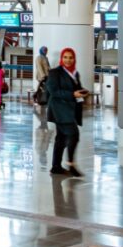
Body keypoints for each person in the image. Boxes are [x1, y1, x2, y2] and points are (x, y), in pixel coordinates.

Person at [46, 48, 88, 176]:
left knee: (61, 138)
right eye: (65, 57)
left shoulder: (75, 73)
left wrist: (82, 91)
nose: (68, 60)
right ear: (61, 58)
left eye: (70, 57)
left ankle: (56, 167)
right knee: (74, 135)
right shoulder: (55, 73)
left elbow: (76, 88)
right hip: (59, 110)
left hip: (70, 109)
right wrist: (72, 94)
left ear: (74, 59)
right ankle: (71, 164)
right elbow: (54, 91)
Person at [33, 46, 52, 129]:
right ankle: (37, 97)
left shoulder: (45, 58)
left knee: (43, 89)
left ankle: (39, 98)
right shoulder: (39, 58)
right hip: (42, 76)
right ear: (41, 50)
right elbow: (39, 67)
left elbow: (48, 66)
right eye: (44, 50)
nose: (46, 51)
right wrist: (43, 76)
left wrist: (51, 73)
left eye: (46, 50)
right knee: (41, 89)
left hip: (47, 76)